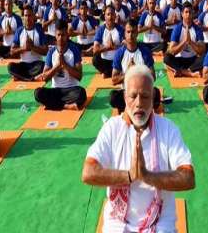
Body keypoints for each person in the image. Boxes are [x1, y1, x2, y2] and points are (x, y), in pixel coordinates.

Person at [82, 64, 195, 233]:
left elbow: (188, 178)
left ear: (153, 99)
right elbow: (88, 173)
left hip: (160, 223)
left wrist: (148, 176)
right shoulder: (112, 128)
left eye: (145, 96)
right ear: (125, 97)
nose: (139, 103)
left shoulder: (168, 129)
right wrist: (129, 175)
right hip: (118, 223)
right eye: (133, 96)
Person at [109, 19, 161, 113]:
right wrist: (128, 73)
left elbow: (153, 76)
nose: (130, 35)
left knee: (156, 94)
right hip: (127, 91)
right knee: (113, 97)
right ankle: (135, 104)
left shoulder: (145, 51)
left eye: (133, 32)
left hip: (142, 91)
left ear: (137, 33)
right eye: (128, 32)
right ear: (124, 34)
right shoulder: (119, 53)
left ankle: (131, 105)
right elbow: (113, 80)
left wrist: (137, 71)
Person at [34, 20, 87, 110]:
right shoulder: (51, 52)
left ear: (67, 35)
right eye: (58, 35)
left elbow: (79, 76)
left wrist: (65, 65)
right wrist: (57, 67)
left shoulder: (74, 50)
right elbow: (45, 77)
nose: (60, 38)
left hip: (71, 89)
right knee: (38, 93)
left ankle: (52, 104)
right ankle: (66, 106)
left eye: (63, 35)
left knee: (82, 93)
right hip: (56, 90)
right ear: (55, 35)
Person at [7, 6, 48, 81]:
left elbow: (46, 51)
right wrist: (24, 48)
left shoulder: (39, 30)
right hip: (23, 65)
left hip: (36, 64)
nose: (27, 18)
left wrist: (32, 47)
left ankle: (20, 77)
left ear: (33, 16)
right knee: (10, 66)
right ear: (23, 17)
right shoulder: (19, 31)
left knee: (44, 65)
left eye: (29, 15)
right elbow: (12, 51)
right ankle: (32, 78)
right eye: (26, 15)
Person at [164, 2, 205, 77]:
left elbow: (201, 51)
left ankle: (180, 71)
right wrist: (184, 41)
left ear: (193, 14)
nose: (188, 15)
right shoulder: (177, 28)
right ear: (182, 14)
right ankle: (189, 73)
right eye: (186, 12)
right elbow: (172, 51)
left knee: (206, 56)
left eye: (190, 12)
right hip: (180, 59)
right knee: (167, 57)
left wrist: (190, 42)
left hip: (193, 60)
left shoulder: (197, 29)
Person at [92, 6, 125, 78]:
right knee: (95, 58)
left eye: (112, 14)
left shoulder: (120, 29)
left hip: (117, 60)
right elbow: (95, 49)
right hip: (105, 61)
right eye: (108, 14)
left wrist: (116, 47)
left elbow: (126, 45)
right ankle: (108, 72)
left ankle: (110, 73)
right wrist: (107, 47)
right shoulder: (101, 30)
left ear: (115, 16)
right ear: (105, 16)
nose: (110, 17)